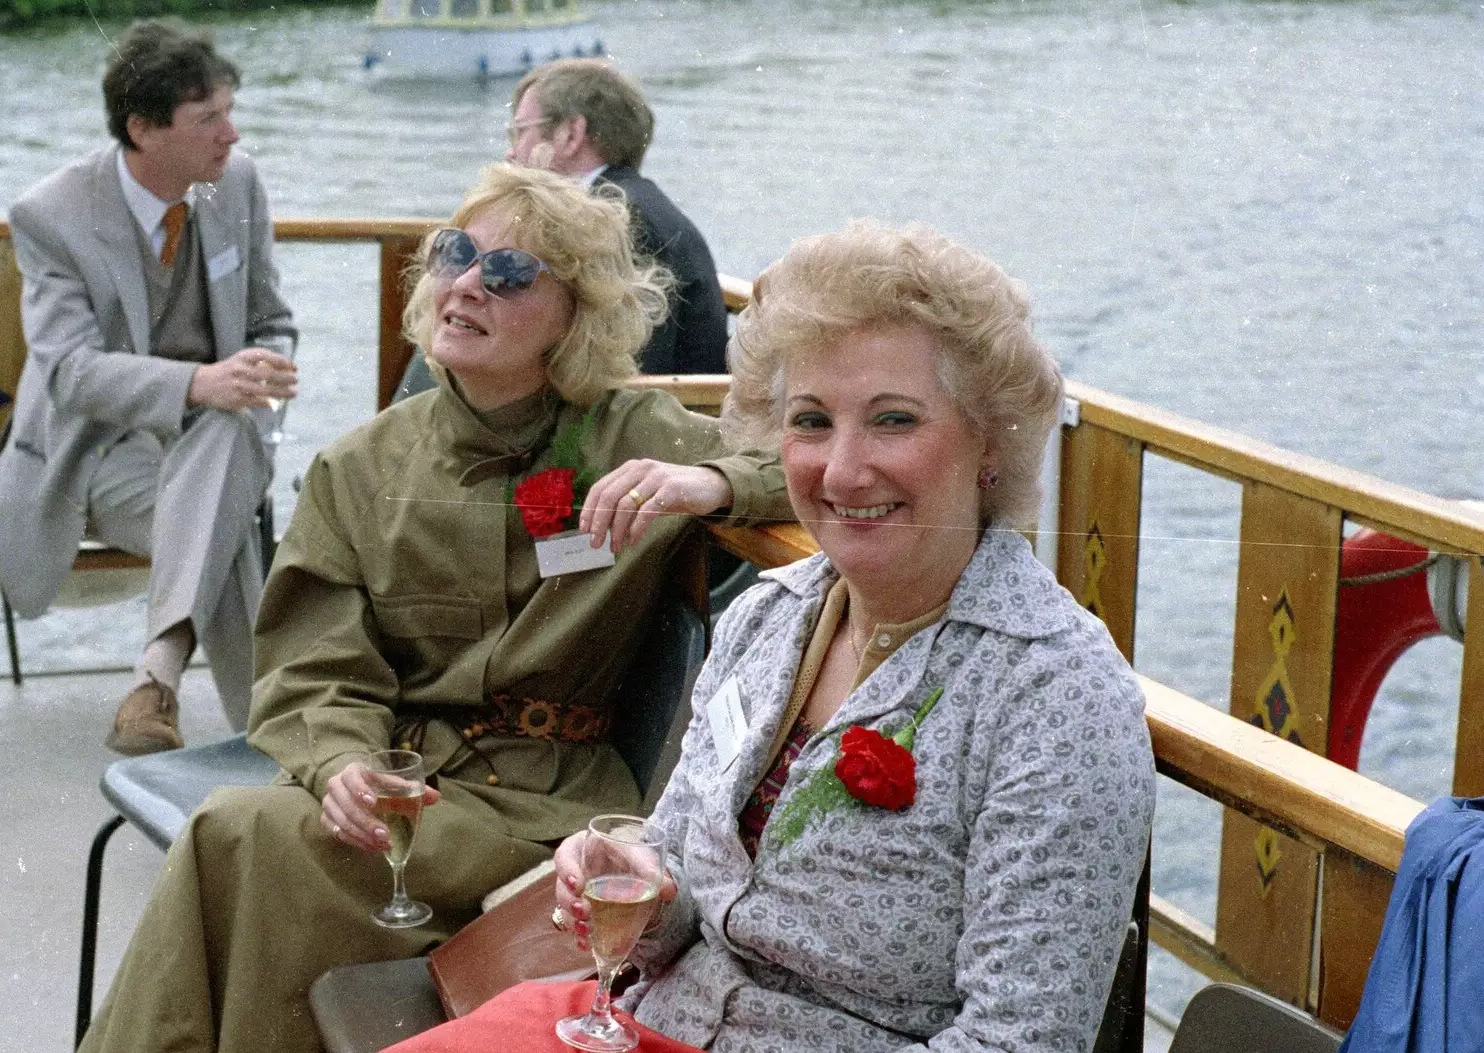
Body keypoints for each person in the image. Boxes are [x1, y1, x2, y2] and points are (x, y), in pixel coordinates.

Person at [389, 221, 1156, 1053]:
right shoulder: (770, 614)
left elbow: (1022, 1044)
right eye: (812, 421)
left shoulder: (1056, 696)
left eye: (894, 420)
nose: (842, 469)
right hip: (646, 1022)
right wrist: (645, 896)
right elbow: (684, 901)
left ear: (990, 443)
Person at [75, 163, 790, 1053]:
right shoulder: (362, 466)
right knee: (245, 837)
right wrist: (336, 760)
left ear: (577, 313)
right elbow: (314, 665)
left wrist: (711, 478)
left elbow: (803, 469)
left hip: (548, 804)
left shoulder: (629, 436)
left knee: (245, 840)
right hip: (407, 783)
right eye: (456, 255)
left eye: (511, 273)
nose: (465, 284)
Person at [0, 19, 297, 752]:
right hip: (96, 455)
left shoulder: (236, 184)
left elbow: (273, 319)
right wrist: (202, 381)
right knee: (226, 522)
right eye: (208, 118)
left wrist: (266, 368)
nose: (232, 135)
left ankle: (157, 683)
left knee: (227, 438)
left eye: (229, 111)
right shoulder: (52, 213)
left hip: (219, 434)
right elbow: (68, 370)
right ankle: (274, 744)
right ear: (144, 129)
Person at [397, 58, 727, 402]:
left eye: (520, 132)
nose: (511, 152)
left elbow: (618, 367)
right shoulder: (642, 205)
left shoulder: (612, 225)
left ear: (570, 135)